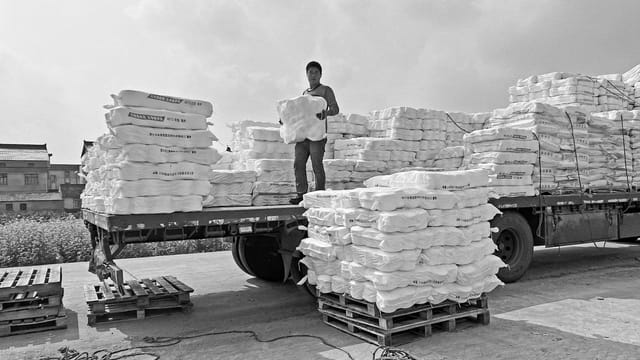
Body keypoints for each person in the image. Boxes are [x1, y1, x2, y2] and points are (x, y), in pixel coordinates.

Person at [290, 61, 339, 205]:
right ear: (306, 74)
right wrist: (286, 120)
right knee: (298, 164)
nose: (313, 75)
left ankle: (319, 195)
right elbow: (300, 114)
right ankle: (301, 194)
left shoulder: (326, 90)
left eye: (316, 72)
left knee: (316, 165)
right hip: (304, 135)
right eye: (310, 72)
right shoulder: (304, 94)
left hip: (317, 136)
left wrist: (326, 113)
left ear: (320, 75)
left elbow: (335, 109)